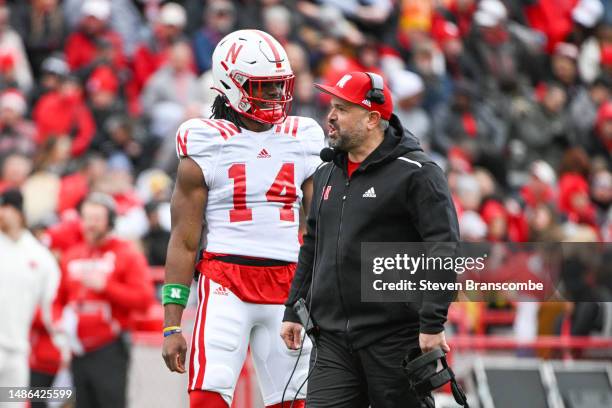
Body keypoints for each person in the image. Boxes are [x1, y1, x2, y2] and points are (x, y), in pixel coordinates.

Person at [161, 29, 324, 408]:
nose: (275, 97)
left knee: (292, 401)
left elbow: (321, 229)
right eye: (263, 87)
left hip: (288, 285)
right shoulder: (205, 140)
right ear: (230, 86)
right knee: (209, 394)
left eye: (279, 86)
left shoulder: (304, 136)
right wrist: (172, 323)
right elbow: (184, 241)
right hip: (225, 281)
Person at [280, 71, 460, 407]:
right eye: (331, 106)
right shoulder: (326, 173)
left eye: (343, 109)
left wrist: (433, 323)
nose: (330, 116)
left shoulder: (417, 174)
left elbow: (443, 250)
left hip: (394, 337)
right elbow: (312, 244)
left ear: (372, 119)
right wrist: (293, 308)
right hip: (331, 339)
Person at [59, 192, 154, 408]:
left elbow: (144, 299)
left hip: (110, 349)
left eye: (96, 219)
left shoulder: (127, 254)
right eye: (86, 218)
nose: (89, 225)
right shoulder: (72, 255)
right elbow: (58, 299)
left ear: (110, 221)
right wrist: (58, 326)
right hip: (77, 350)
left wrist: (107, 288)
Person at [0, 189, 67, 391]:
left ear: (17, 212)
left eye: (4, 208)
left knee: (12, 402)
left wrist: (63, 346)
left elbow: (51, 304)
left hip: (18, 349)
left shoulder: (39, 256)